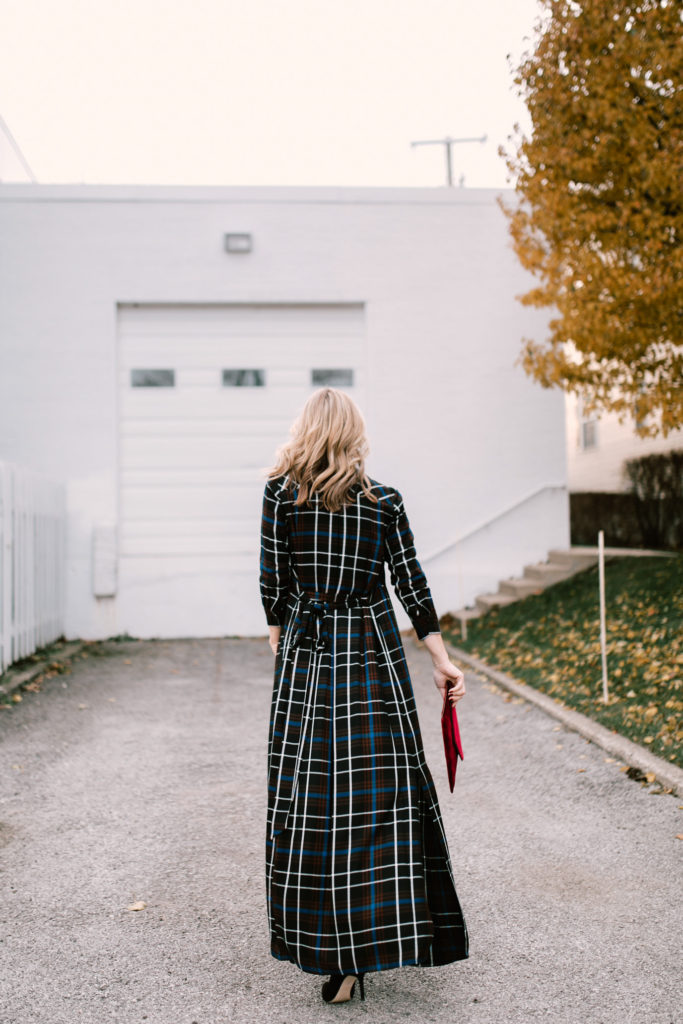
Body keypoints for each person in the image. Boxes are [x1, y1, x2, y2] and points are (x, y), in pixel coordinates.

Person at [259, 387, 469, 1004]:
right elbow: (410, 581)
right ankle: (375, 940)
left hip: (308, 656)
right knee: (380, 799)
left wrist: (285, 649)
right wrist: (440, 658)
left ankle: (334, 954)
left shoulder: (280, 496)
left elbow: (273, 587)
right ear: (354, 434)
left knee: (311, 800)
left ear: (305, 430)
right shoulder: (383, 502)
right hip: (371, 658)